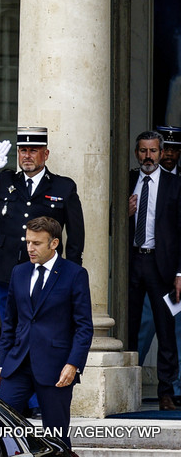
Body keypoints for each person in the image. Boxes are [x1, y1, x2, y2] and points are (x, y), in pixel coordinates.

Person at [0, 127, 85, 325]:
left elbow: (75, 233)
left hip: (44, 267)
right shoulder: (5, 181)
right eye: (22, 150)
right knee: (9, 324)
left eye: (33, 150)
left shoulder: (63, 187)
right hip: (7, 267)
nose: (27, 156)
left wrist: (71, 269)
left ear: (45, 154)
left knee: (41, 323)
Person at [0, 217, 93, 450]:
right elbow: (10, 324)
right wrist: (1, 363)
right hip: (18, 364)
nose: (30, 248)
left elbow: (84, 326)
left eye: (37, 243)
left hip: (56, 367)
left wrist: (73, 364)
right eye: (28, 242)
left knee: (56, 435)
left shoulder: (74, 274)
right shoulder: (19, 272)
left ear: (54, 243)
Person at [127, 130, 181, 411]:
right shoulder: (126, 181)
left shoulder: (175, 185)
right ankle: (128, 386)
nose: (148, 156)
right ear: (137, 153)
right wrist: (122, 212)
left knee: (166, 329)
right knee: (130, 328)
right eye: (143, 151)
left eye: (153, 151)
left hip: (163, 267)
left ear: (161, 153)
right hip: (133, 263)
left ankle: (166, 392)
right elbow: (106, 219)